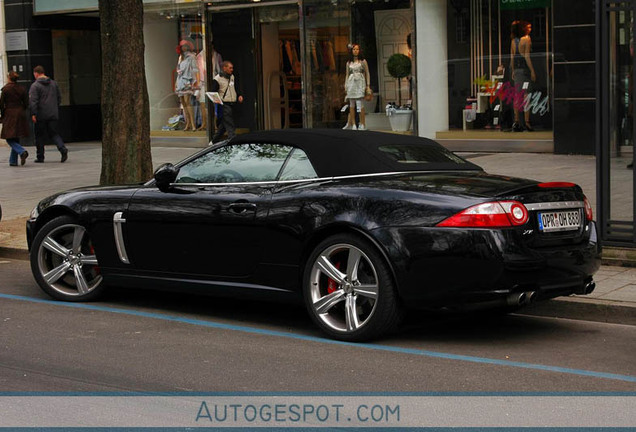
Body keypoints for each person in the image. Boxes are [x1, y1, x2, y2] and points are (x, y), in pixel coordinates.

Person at [29, 65, 68, 163]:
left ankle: (40, 156)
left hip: (40, 115)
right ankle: (62, 148)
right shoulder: (54, 84)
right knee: (54, 133)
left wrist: (33, 114)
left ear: (36, 73)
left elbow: (33, 101)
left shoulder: (35, 86)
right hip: (53, 113)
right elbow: (59, 97)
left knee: (39, 136)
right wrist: (55, 107)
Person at [510, 20, 536, 132]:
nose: (530, 29)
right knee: (526, 96)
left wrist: (513, 70)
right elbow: (527, 56)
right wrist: (532, 71)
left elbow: (512, 57)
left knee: (517, 96)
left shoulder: (513, 41)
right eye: (528, 27)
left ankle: (516, 121)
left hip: (517, 71)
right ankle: (527, 122)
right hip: (524, 71)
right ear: (524, 29)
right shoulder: (527, 39)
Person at [0, 71, 29, 166]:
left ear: (9, 78)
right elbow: (26, 103)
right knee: (16, 136)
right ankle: (13, 161)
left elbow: (1, 104)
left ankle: (21, 151)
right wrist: (22, 110)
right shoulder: (22, 89)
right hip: (20, 113)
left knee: (9, 137)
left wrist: (2, 115)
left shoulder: (6, 89)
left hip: (9, 113)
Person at [211, 61, 243, 143]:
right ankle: (232, 139)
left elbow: (235, 87)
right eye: (230, 68)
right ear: (224, 68)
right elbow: (213, 92)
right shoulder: (217, 79)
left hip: (232, 102)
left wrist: (239, 95)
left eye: (232, 68)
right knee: (229, 123)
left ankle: (214, 141)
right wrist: (217, 101)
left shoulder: (232, 77)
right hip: (224, 104)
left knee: (224, 126)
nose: (232, 70)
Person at [342, 43, 370, 131]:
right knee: (352, 104)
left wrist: (368, 85)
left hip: (360, 83)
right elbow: (347, 74)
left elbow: (367, 73)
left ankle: (362, 123)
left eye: (357, 49)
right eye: (354, 49)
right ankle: (353, 124)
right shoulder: (348, 63)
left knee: (360, 104)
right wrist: (345, 85)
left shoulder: (363, 61)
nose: (356, 51)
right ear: (351, 51)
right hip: (351, 83)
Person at [175, 39, 199, 132]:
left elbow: (195, 69)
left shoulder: (191, 57)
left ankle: (193, 124)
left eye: (185, 46)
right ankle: (188, 123)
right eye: (182, 46)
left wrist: (195, 81)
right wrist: (176, 83)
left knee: (187, 102)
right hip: (180, 81)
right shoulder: (181, 57)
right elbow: (178, 70)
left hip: (187, 80)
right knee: (184, 104)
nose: (184, 48)